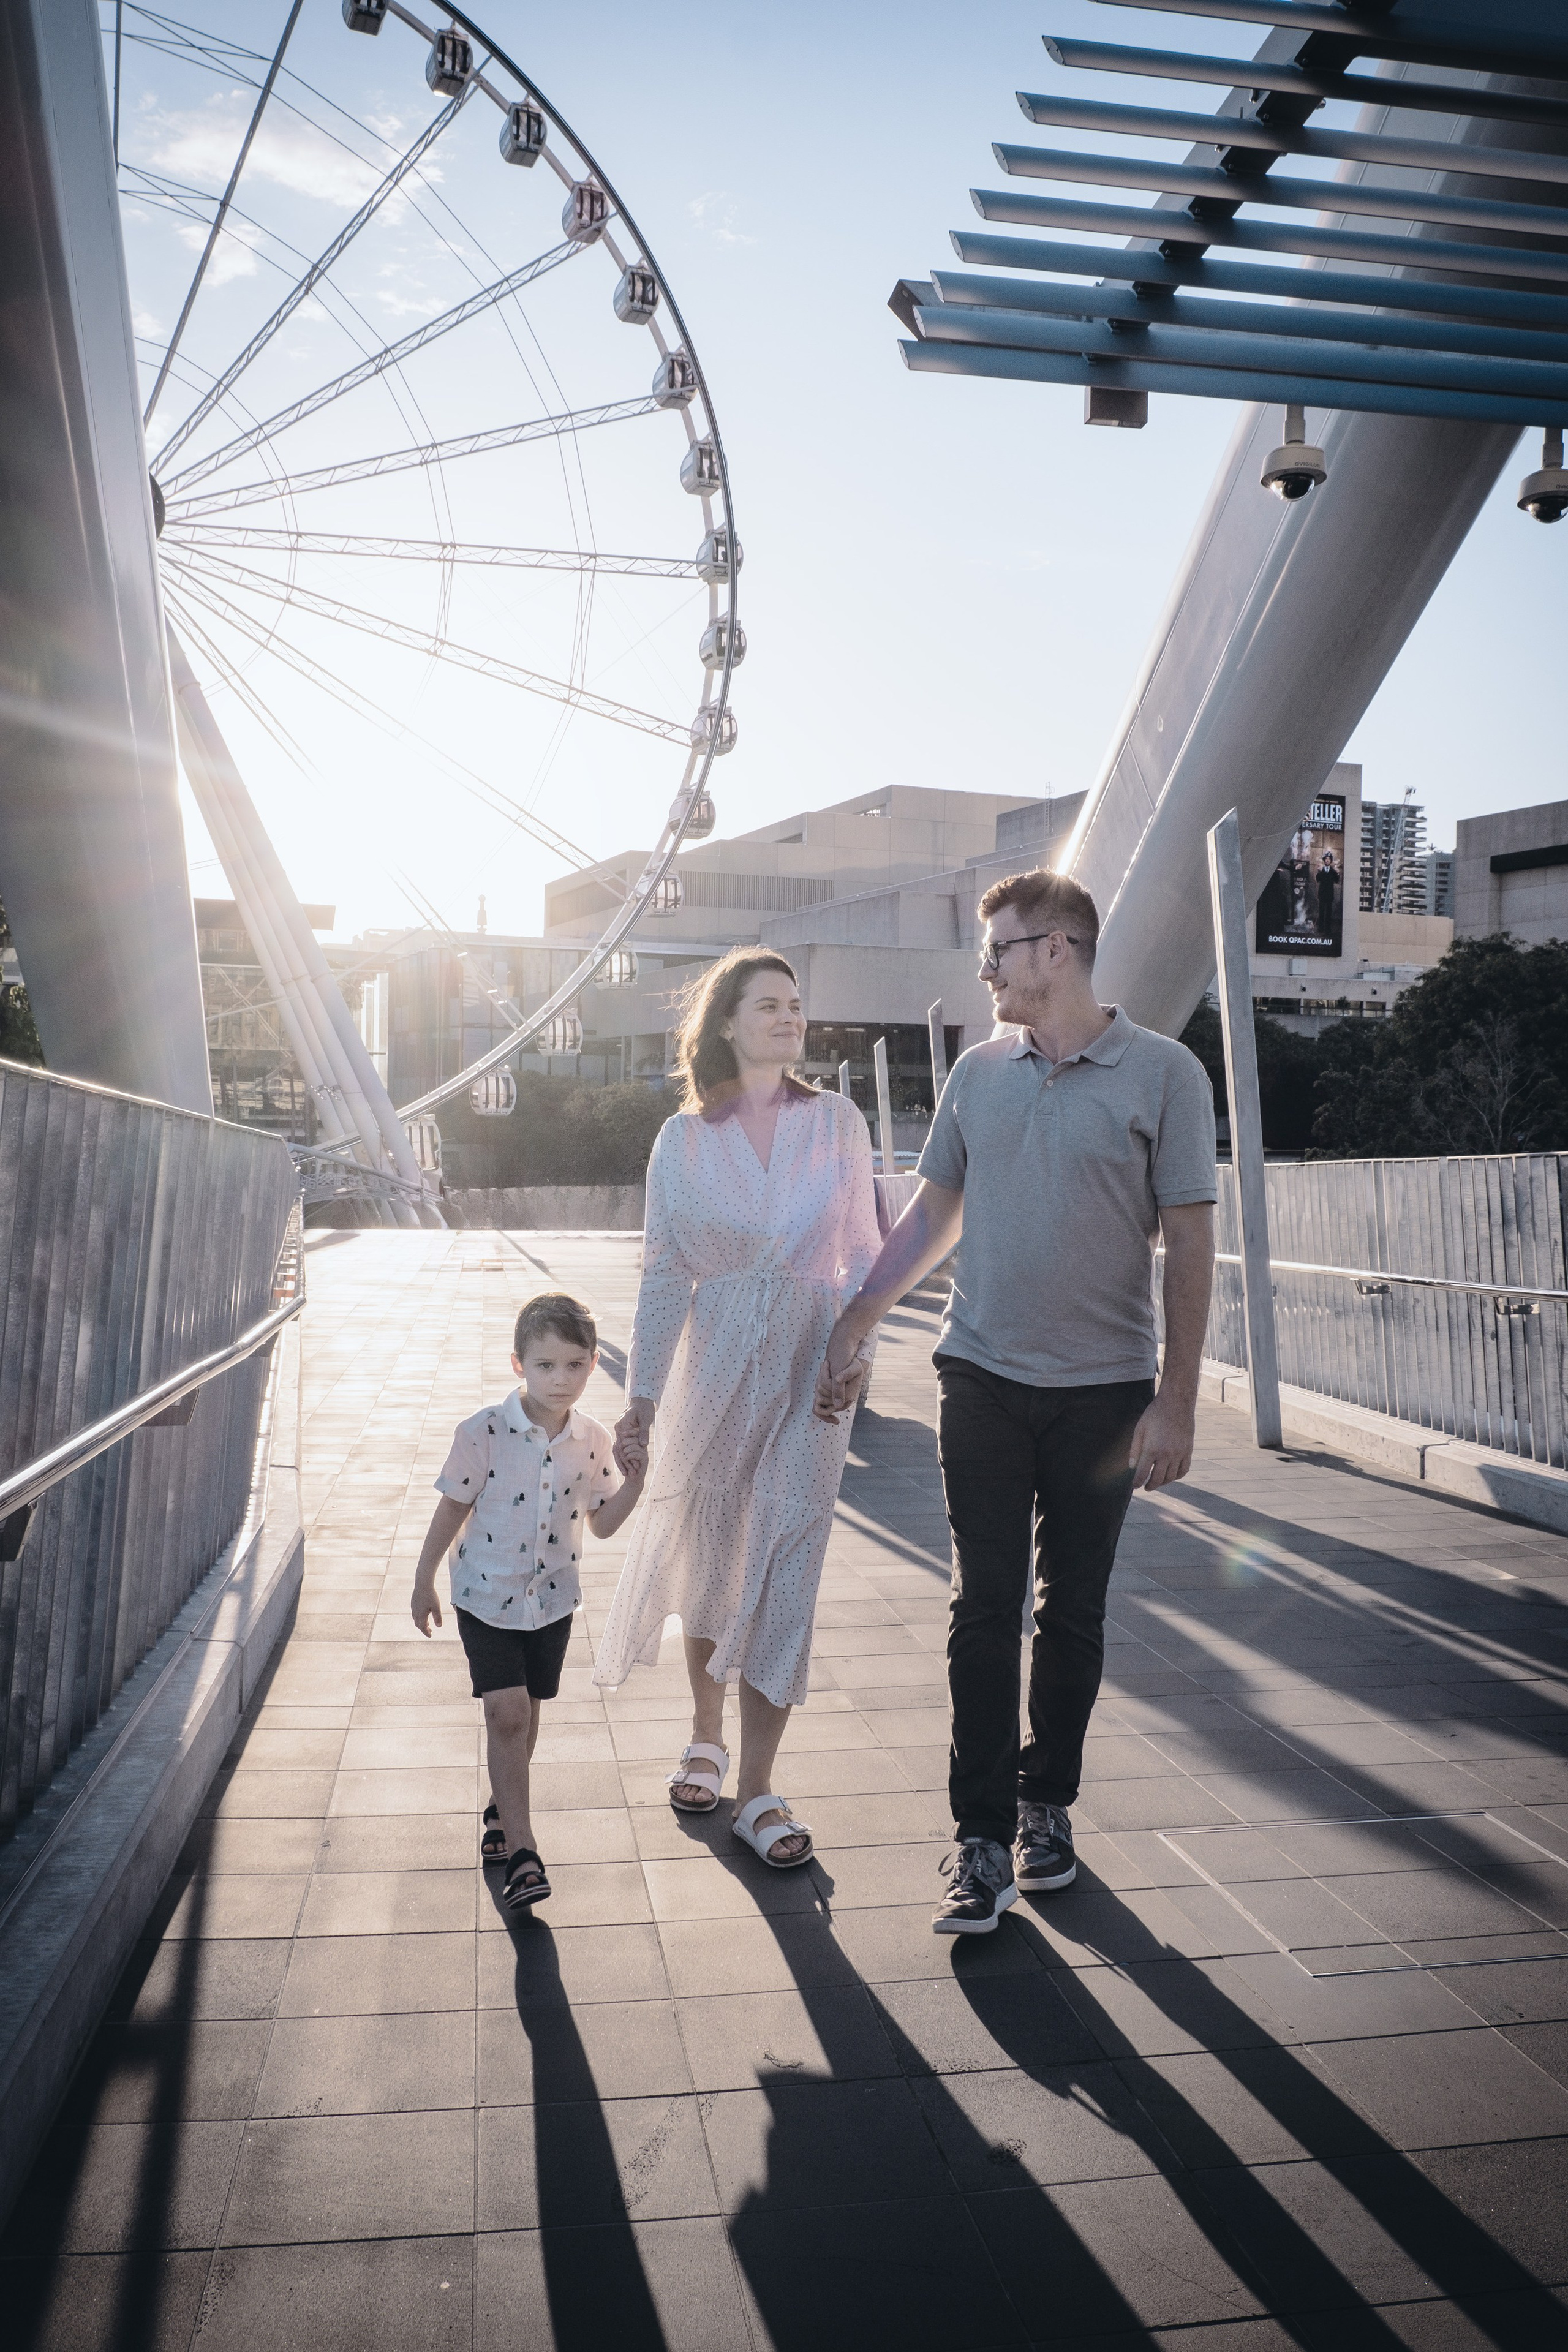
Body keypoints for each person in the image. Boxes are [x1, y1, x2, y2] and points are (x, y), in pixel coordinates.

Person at [816, 869, 1216, 1934]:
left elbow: (1189, 1246)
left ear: (1061, 950)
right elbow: (933, 1214)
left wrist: (1176, 1401)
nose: (986, 967)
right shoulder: (979, 1077)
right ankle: (982, 1838)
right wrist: (860, 1317)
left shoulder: (1166, 1075)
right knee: (983, 1607)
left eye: (1001, 948)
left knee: (1070, 1611)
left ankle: (1048, 1808)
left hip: (1106, 1392)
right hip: (982, 1376)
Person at [595, 948, 881, 1869]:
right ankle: (705, 1734)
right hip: (711, 1369)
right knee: (712, 1551)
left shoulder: (837, 1121)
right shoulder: (682, 1141)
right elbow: (663, 1271)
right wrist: (640, 1401)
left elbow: (864, 1254)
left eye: (797, 1005)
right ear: (726, 1022)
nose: (790, 1017)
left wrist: (857, 1354)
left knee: (786, 1561)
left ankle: (759, 1787)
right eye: (769, 1005)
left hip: (810, 1370)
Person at [410, 1292, 646, 1914]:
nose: (559, 1378)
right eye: (545, 1365)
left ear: (593, 1363)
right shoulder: (483, 1431)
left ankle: (500, 1812)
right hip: (484, 1598)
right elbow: (452, 1506)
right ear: (519, 1365)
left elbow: (601, 1524)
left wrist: (639, 1479)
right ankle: (522, 1852)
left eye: (573, 1364)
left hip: (553, 1602)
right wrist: (423, 1577)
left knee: (529, 1711)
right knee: (507, 1715)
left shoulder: (592, 1439)